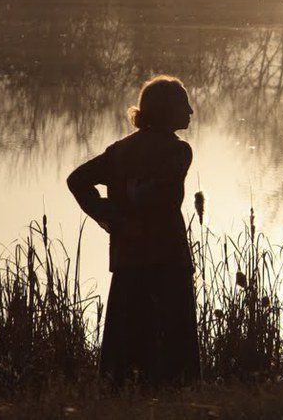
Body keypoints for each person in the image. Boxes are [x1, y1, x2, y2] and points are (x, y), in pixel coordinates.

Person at [67, 75, 200, 387]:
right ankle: (174, 397)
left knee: (126, 345)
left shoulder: (119, 152)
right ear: (166, 110)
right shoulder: (178, 151)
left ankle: (122, 396)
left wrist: (114, 218)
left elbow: (77, 180)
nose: (190, 111)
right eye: (183, 104)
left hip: (129, 257)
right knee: (173, 344)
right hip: (168, 258)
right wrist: (120, 215)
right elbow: (158, 194)